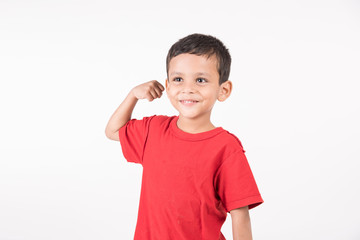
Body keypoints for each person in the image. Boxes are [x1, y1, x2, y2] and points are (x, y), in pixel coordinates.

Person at [105, 33, 263, 240]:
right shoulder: (153, 129)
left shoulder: (226, 147)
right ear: (168, 86)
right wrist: (133, 95)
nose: (188, 89)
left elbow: (240, 214)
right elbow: (113, 131)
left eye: (200, 80)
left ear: (223, 90)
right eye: (178, 79)